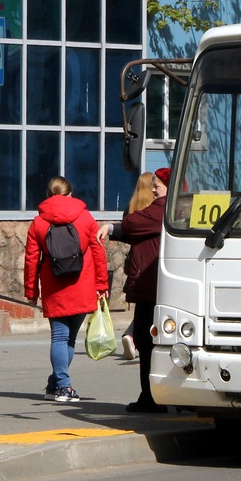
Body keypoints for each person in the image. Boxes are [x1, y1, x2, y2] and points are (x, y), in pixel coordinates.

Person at [24, 176, 109, 402]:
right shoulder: (85, 217)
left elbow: (32, 259)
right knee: (69, 339)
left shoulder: (38, 222)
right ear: (70, 193)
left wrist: (31, 290)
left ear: (48, 195)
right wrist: (102, 284)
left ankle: (57, 384)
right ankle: (62, 385)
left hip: (54, 285)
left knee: (59, 337)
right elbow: (98, 252)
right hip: (83, 283)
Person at [104, 167, 168, 413]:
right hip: (154, 285)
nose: (153, 189)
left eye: (158, 184)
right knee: (148, 339)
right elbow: (134, 232)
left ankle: (151, 398)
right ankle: (154, 396)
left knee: (146, 339)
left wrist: (114, 226)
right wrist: (112, 229)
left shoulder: (160, 209)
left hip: (150, 286)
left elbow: (131, 223)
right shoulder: (166, 211)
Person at [118, 172, 155, 359]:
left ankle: (132, 335)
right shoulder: (154, 210)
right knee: (152, 306)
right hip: (151, 261)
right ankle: (133, 336)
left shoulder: (130, 208)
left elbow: (126, 232)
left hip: (134, 260)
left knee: (142, 305)